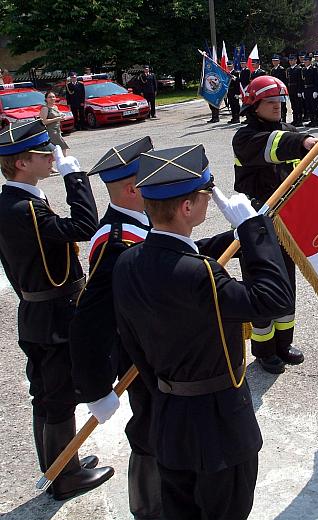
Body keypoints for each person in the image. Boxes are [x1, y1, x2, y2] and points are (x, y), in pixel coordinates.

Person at [113, 144, 294, 520]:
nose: (209, 201)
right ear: (187, 208)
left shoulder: (128, 261)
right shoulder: (201, 274)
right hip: (220, 428)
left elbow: (134, 347)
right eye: (205, 195)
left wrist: (246, 236)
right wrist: (252, 230)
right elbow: (273, 299)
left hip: (170, 418)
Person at [0, 121, 113, 500]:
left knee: (46, 394)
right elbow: (84, 225)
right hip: (55, 316)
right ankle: (64, 476)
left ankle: (60, 465)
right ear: (21, 163)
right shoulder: (26, 209)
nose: (52, 157)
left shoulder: (10, 202)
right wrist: (75, 177)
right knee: (59, 396)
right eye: (44, 153)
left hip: (36, 312)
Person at [68, 136, 162, 518]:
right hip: (141, 358)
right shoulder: (118, 240)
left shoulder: (142, 221)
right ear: (133, 188)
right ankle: (148, 508)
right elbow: (91, 320)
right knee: (149, 431)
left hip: (160, 348)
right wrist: (95, 389)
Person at [233, 75, 317, 373]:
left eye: (280, 101)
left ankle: (284, 343)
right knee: (262, 288)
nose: (278, 106)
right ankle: (264, 350)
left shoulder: (291, 131)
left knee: (286, 285)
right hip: (257, 228)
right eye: (270, 102)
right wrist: (304, 141)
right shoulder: (244, 138)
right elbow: (276, 147)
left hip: (286, 225)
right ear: (253, 105)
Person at [301, 54, 318, 127]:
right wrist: (302, 91)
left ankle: (315, 121)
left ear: (310, 61)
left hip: (312, 89)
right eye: (304, 61)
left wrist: (316, 91)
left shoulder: (314, 69)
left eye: (306, 61)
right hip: (306, 89)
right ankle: (312, 120)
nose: (305, 62)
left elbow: (317, 80)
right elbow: (302, 81)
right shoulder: (303, 69)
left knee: (314, 106)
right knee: (308, 106)